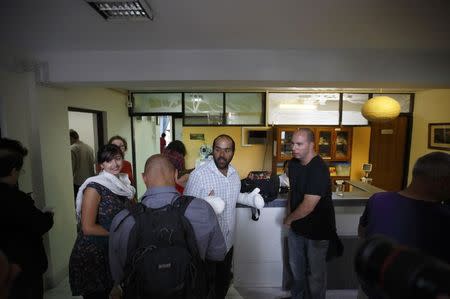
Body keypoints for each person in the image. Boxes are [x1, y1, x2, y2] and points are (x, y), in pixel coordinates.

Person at [109, 154, 227, 296]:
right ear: (176, 174)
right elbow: (218, 255)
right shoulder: (202, 209)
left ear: (143, 177)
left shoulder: (123, 219)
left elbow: (118, 274)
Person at [358, 152, 450, 298]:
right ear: (444, 183)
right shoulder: (444, 215)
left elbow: (362, 233)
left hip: (371, 287)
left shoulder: (378, 200)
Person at [184, 134, 264, 298]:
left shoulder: (234, 174)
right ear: (212, 150)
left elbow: (232, 197)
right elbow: (186, 208)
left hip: (228, 242)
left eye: (227, 150)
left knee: (223, 283)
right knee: (206, 287)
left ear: (233, 152)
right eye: (218, 149)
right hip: (206, 244)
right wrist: (206, 204)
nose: (222, 154)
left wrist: (249, 199)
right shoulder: (199, 175)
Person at [69, 144, 135, 299]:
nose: (114, 164)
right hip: (94, 253)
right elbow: (87, 227)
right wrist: (120, 235)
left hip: (112, 249)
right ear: (101, 165)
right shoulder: (94, 187)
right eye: (108, 160)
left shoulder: (123, 184)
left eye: (117, 159)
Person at [283, 128, 337, 299]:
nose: (294, 148)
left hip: (318, 231)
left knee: (315, 277)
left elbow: (308, 205)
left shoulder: (319, 168)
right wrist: (290, 212)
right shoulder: (292, 164)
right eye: (292, 144)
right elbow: (293, 191)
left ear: (312, 145)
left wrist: (289, 219)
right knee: (296, 270)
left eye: (299, 144)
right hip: (297, 228)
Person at [0, 138, 54, 299]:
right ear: (13, 170)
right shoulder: (15, 198)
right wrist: (48, 216)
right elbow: (39, 224)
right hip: (21, 268)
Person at [70, 129, 95, 200]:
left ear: (71, 138)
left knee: (79, 203)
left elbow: (71, 168)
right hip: (90, 181)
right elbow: (93, 162)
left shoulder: (72, 148)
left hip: (78, 182)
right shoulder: (89, 148)